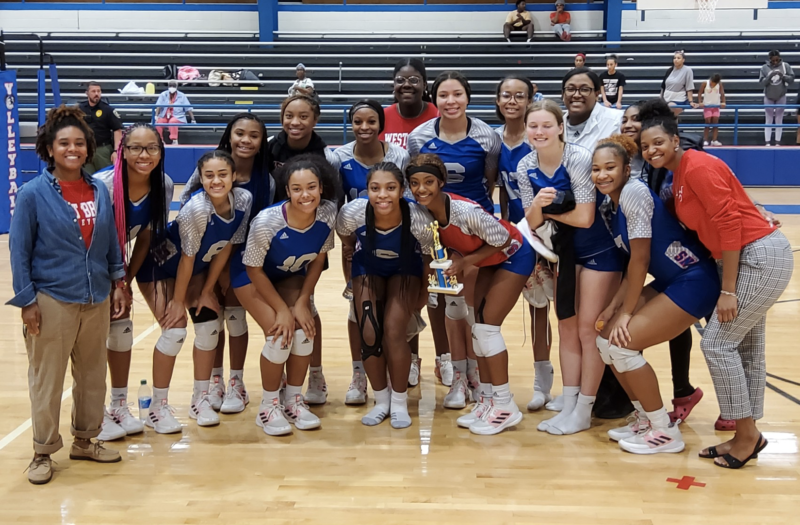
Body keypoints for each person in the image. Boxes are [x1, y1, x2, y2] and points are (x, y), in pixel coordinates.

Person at [640, 99, 794, 468]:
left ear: (676, 140)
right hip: (748, 256)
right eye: (645, 147)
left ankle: (746, 435)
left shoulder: (696, 165)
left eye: (658, 142)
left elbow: (729, 224)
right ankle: (747, 435)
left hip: (759, 255)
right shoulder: (678, 177)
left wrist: (726, 290)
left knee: (718, 344)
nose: (651, 150)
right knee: (747, 349)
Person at [9, 105, 129, 485]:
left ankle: (85, 440)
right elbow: (19, 251)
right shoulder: (31, 194)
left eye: (79, 142)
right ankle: (42, 451)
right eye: (64, 143)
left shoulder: (99, 190)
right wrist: (27, 301)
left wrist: (118, 282)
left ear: (88, 146)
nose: (72, 149)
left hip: (96, 297)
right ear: (49, 148)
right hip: (51, 299)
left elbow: (110, 241)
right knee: (48, 379)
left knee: (93, 376)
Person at [592, 134, 720, 455]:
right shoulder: (614, 202)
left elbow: (641, 260)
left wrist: (626, 313)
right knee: (605, 342)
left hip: (694, 281)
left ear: (626, 170)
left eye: (610, 167)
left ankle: (664, 432)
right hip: (673, 280)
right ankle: (646, 418)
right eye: (596, 169)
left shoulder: (634, 193)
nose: (602, 175)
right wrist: (613, 308)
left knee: (622, 346)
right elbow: (635, 264)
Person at [516, 99, 623, 436]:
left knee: (588, 330)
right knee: (566, 329)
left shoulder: (577, 158)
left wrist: (545, 212)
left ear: (560, 127)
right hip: (564, 256)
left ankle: (584, 408)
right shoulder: (524, 167)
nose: (539, 131)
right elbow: (529, 222)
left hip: (599, 253)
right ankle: (571, 397)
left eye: (546, 125)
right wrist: (536, 206)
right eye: (533, 126)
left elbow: (585, 217)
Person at [408, 154, 534, 435]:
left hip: (514, 254)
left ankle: (505, 405)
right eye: (414, 183)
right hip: (488, 260)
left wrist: (465, 262)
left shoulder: (464, 212)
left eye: (428, 181)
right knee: (478, 329)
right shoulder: (426, 214)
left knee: (488, 329)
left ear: (441, 181)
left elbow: (503, 239)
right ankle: (488, 399)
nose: (421, 189)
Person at [139, 150, 252, 433]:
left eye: (223, 174)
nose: (216, 180)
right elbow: (186, 259)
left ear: (234, 176)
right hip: (158, 267)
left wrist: (207, 290)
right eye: (209, 175)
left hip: (192, 270)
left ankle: (199, 398)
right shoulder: (197, 209)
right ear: (200, 179)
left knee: (209, 325)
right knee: (175, 331)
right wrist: (178, 302)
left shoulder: (243, 201)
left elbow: (226, 247)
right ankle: (158, 407)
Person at [408, 71, 501, 406]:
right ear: (434, 99)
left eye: (457, 94)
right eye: (444, 95)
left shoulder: (487, 136)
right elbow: (418, 181)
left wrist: (466, 215)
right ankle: (458, 377)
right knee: (451, 303)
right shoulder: (419, 137)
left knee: (474, 305)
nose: (451, 101)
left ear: (468, 96)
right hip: (437, 228)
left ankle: (475, 372)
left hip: (474, 226)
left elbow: (490, 180)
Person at [180, 113, 274, 416]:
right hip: (203, 254)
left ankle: (237, 381)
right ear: (229, 136)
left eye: (254, 135)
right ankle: (214, 380)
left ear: (262, 142)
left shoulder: (265, 179)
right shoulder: (208, 170)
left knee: (236, 319)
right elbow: (187, 211)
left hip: (242, 257)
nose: (246, 140)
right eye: (239, 133)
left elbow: (260, 225)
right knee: (210, 319)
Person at [620, 102, 706, 425]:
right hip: (657, 255)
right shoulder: (627, 161)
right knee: (633, 331)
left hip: (692, 256)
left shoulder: (671, 158)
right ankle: (646, 403)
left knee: (702, 332)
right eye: (625, 119)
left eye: (636, 120)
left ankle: (689, 393)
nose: (629, 124)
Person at [241, 156, 338, 436]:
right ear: (287, 191)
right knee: (280, 334)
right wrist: (282, 309)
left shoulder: (328, 213)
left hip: (289, 275)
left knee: (304, 332)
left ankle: (294, 400)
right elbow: (253, 268)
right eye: (297, 189)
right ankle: (268, 406)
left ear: (321, 188)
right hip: (251, 276)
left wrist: (303, 300)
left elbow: (319, 259)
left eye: (311, 187)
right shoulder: (267, 221)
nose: (305, 195)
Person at [337, 162, 434, 428]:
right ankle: (382, 400)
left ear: (402, 190)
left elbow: (427, 258)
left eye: (390, 188)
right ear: (366, 190)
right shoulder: (352, 213)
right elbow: (347, 244)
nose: (382, 195)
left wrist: (424, 295)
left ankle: (400, 402)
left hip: (406, 270)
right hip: (368, 268)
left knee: (394, 330)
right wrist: (350, 281)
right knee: (369, 331)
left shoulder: (419, 217)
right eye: (375, 188)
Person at [93, 123, 173, 441]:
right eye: (136, 148)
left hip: (118, 266)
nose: (144, 155)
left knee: (121, 329)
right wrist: (113, 283)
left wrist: (125, 282)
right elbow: (95, 240)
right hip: (88, 265)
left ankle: (118, 404)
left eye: (151, 148)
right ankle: (92, 410)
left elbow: (146, 236)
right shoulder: (103, 186)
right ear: (122, 151)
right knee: (91, 339)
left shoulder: (163, 184)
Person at [330, 100, 414, 401]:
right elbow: (337, 204)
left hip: (398, 243)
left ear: (382, 124)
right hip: (358, 242)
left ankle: (405, 366)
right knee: (359, 311)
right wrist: (347, 251)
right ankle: (358, 374)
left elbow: (409, 200)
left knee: (399, 313)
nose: (364, 127)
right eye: (358, 121)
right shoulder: (338, 157)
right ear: (350, 124)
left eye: (371, 122)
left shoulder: (400, 156)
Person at [559, 67, 629, 420]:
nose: (577, 94)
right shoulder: (555, 127)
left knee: (601, 323)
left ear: (598, 91)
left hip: (611, 234)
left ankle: (621, 398)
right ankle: (578, 397)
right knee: (575, 324)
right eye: (570, 88)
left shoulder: (615, 119)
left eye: (585, 88)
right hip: (571, 241)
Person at [266, 94, 337, 404]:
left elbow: (335, 200)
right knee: (280, 304)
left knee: (308, 305)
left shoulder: (327, 156)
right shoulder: (269, 147)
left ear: (315, 119)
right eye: (289, 115)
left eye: (303, 116)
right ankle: (282, 375)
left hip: (312, 236)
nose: (295, 122)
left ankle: (316, 373)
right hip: (275, 235)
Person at [494, 75, 555, 411]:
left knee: (555, 308)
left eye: (520, 95)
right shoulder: (492, 140)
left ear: (531, 97)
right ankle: (540, 383)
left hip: (550, 233)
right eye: (507, 95)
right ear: (498, 99)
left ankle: (557, 383)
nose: (513, 101)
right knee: (535, 307)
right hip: (518, 235)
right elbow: (499, 188)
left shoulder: (539, 137)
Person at [380, 58, 439, 150]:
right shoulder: (381, 117)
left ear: (424, 85)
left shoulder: (438, 115)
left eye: (414, 80)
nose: (406, 85)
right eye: (400, 80)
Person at [79, 81, 123, 174]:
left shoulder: (108, 110)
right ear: (87, 93)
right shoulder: (80, 109)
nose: (96, 94)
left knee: (105, 178)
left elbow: (117, 130)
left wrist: (116, 151)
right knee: (87, 178)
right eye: (93, 91)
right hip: (86, 150)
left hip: (103, 150)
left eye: (98, 91)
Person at [759, 50, 795, 146]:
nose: (775, 62)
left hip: (781, 95)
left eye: (777, 60)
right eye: (773, 60)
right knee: (769, 119)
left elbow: (792, 79)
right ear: (769, 59)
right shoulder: (764, 67)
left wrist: (783, 76)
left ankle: (777, 141)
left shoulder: (785, 66)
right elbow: (762, 82)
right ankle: (767, 141)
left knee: (779, 119)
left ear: (779, 58)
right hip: (768, 96)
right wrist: (769, 76)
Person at [154, 80, 196, 145]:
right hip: (164, 115)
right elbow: (158, 106)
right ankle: (160, 141)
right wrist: (156, 116)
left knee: (172, 121)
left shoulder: (182, 96)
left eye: (173, 86)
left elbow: (188, 108)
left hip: (178, 117)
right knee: (158, 122)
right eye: (170, 86)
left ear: (176, 87)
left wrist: (193, 119)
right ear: (168, 86)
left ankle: (174, 140)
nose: (172, 87)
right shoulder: (163, 95)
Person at [699, 74, 726, 147]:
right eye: (711, 81)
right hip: (707, 105)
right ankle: (705, 139)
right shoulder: (705, 83)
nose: (712, 83)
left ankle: (714, 140)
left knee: (715, 123)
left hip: (716, 105)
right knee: (707, 122)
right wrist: (700, 102)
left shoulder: (719, 84)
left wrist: (723, 102)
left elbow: (722, 93)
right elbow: (700, 93)